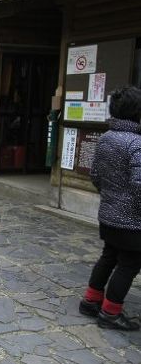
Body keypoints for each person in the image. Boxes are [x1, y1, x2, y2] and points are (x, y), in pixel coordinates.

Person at [79, 86, 141, 331]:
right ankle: (110, 312)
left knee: (109, 256)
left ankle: (91, 301)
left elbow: (95, 176)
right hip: (132, 220)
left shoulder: (105, 138)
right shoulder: (136, 143)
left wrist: (111, 197)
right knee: (130, 263)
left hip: (108, 214)